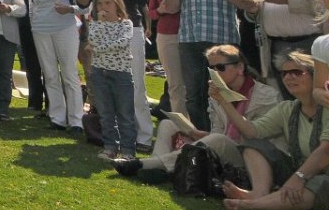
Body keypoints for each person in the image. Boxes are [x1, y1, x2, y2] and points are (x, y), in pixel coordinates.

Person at [118, 44, 281, 182]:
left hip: (250, 158)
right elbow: (217, 133)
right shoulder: (218, 94)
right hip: (222, 147)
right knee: (168, 124)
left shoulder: (265, 96)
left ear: (240, 68)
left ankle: (146, 165)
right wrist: (197, 134)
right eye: (211, 69)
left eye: (221, 68)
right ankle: (159, 169)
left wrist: (222, 102)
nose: (215, 73)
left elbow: (255, 136)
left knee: (218, 139)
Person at [161, 0, 252, 132]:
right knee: (194, 95)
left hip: (221, 41)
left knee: (225, 92)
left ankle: (228, 138)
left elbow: (243, 2)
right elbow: (172, 7)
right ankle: (203, 141)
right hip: (189, 41)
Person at [221, 52, 329, 210]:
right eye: (284, 73)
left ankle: (251, 204)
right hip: (299, 170)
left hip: (321, 176)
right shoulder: (287, 109)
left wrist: (298, 178)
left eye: (297, 72)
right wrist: (224, 102)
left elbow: (325, 151)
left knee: (319, 184)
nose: (289, 78)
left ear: (316, 76)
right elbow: (251, 131)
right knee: (255, 144)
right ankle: (259, 193)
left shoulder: (327, 108)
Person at [76, 0, 152, 152]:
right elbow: (81, 3)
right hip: (102, 32)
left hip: (131, 30)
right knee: (106, 86)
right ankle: (115, 136)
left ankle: (144, 136)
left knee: (135, 83)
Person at [27, 0, 84, 133]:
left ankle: (76, 120)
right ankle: (57, 118)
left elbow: (85, 7)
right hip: (40, 30)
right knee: (50, 74)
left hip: (65, 28)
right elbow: (31, 6)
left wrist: (69, 9)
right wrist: (34, 23)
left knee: (69, 74)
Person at [87, 0, 137, 162]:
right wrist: (100, 24)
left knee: (125, 114)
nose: (103, 7)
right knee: (106, 113)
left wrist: (98, 49)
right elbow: (92, 40)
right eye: (99, 4)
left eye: (108, 3)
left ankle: (128, 150)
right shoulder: (94, 24)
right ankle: (110, 147)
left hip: (121, 74)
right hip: (99, 72)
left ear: (117, 4)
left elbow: (122, 43)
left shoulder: (126, 24)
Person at [148, 0, 187, 117]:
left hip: (190, 33)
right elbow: (151, 13)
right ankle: (182, 125)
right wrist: (161, 11)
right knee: (175, 83)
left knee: (194, 81)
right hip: (167, 35)